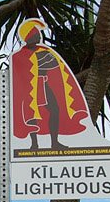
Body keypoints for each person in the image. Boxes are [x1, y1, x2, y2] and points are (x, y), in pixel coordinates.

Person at [11, 18, 89, 151]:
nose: (39, 36)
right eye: (35, 34)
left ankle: (54, 142)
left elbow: (55, 65)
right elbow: (21, 73)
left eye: (38, 34)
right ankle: (34, 144)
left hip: (44, 84)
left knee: (55, 110)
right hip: (29, 89)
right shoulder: (19, 56)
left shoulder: (45, 51)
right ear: (29, 37)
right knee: (31, 114)